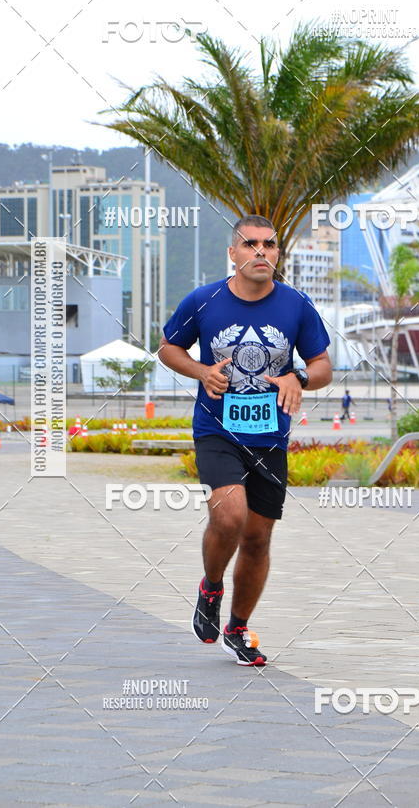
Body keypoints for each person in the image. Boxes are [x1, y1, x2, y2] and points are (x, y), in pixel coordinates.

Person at [160, 215, 333, 666]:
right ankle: (211, 585)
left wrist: (298, 377)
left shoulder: (296, 305)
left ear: (278, 254)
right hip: (217, 429)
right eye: (250, 244)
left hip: (270, 437)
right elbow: (168, 348)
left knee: (257, 537)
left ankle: (238, 628)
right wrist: (201, 371)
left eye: (269, 245)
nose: (261, 252)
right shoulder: (204, 300)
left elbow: (322, 367)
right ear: (233, 254)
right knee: (230, 514)